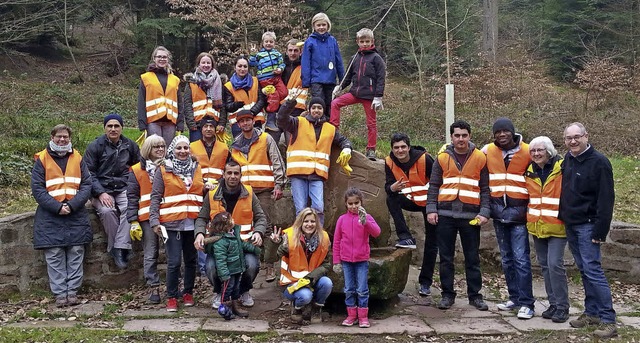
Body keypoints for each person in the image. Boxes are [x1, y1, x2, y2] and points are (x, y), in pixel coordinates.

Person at [559, 122, 617, 339]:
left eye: (577, 137)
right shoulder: (568, 159)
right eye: (568, 138)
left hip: (589, 225)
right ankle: (591, 313)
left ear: (586, 136)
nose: (573, 141)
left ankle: (608, 319)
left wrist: (599, 231)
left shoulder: (600, 162)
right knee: (584, 269)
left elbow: (606, 199)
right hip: (571, 223)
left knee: (593, 270)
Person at [426, 120, 490, 312]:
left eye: (464, 135)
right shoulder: (442, 157)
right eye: (457, 135)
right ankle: (447, 294)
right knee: (446, 258)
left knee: (472, 257)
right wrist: (431, 209)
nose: (460, 139)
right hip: (445, 215)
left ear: (469, 136)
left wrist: (485, 212)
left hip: (471, 216)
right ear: (451, 137)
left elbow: (485, 188)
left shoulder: (480, 158)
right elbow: (434, 185)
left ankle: (475, 296)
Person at [31, 124, 93, 307]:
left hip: (75, 213)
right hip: (51, 214)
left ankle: (72, 292)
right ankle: (60, 293)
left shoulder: (78, 157)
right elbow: (37, 188)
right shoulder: (41, 159)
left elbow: (87, 184)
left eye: (65, 136)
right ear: (52, 137)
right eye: (59, 136)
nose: (62, 140)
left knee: (76, 252)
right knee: (54, 253)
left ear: (69, 138)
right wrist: (57, 207)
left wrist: (72, 205)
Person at [194, 160, 268, 309]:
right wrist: (199, 234)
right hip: (219, 245)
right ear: (223, 174)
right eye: (229, 173)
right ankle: (219, 292)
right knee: (210, 267)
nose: (232, 176)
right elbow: (201, 218)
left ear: (240, 175)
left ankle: (243, 291)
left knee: (252, 265)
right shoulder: (212, 194)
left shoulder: (249, 193)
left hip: (243, 245)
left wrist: (259, 232)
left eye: (236, 173)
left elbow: (261, 217)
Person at [481, 117, 535, 319]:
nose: (501, 135)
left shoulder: (529, 151)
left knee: (521, 259)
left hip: (519, 214)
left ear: (513, 132)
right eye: (498, 132)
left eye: (505, 131)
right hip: (498, 214)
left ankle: (527, 303)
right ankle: (515, 298)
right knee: (507, 259)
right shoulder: (488, 151)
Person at [277, 95, 352, 226]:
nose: (316, 110)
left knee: (318, 208)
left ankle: (318, 239)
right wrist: (289, 103)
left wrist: (347, 149)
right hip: (298, 173)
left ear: (323, 110)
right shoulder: (297, 122)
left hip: (317, 175)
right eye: (314, 107)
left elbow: (343, 140)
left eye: (319, 108)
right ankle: (300, 239)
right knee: (301, 209)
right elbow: (281, 119)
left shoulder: (330, 128)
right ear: (309, 109)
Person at [149, 135, 204, 312]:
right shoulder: (164, 169)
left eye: (186, 148)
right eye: (179, 148)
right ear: (173, 149)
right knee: (173, 262)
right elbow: (155, 196)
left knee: (190, 260)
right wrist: (154, 220)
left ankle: (187, 292)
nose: (182, 151)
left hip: (193, 222)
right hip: (171, 224)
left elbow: (197, 193)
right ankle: (171, 296)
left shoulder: (197, 168)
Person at [230, 109, 286, 282]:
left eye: (248, 120)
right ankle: (248, 263)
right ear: (238, 124)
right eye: (242, 121)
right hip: (243, 193)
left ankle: (269, 266)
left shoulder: (265, 139)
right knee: (244, 227)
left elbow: (277, 161)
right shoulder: (235, 144)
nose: (246, 123)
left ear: (254, 121)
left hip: (263, 190)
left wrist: (279, 184)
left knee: (267, 227)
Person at [384, 133, 437, 297]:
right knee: (390, 198)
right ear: (392, 149)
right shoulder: (389, 162)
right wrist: (393, 187)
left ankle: (425, 283)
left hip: (430, 204)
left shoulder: (424, 159)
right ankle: (405, 236)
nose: (400, 150)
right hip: (410, 200)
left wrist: (433, 208)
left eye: (403, 147)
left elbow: (437, 182)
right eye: (396, 147)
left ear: (409, 147)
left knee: (431, 242)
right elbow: (388, 186)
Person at [84, 113, 140, 269]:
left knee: (130, 208)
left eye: (116, 126)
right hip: (101, 188)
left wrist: (132, 186)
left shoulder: (130, 146)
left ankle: (119, 247)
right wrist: (100, 192)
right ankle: (119, 247)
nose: (113, 129)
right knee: (107, 211)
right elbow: (89, 174)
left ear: (122, 128)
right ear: (104, 128)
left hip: (123, 186)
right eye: (110, 126)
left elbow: (138, 169)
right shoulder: (95, 146)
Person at [525, 136, 569, 323]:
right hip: (537, 226)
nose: (536, 154)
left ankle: (562, 307)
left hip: (558, 226)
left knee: (555, 265)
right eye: (533, 151)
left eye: (540, 150)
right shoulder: (529, 171)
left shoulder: (562, 168)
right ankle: (553, 304)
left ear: (548, 151)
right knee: (544, 266)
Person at [269, 208, 333, 324]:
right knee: (305, 296)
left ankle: (316, 308)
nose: (309, 224)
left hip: (311, 280)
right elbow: (271, 258)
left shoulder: (323, 238)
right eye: (306, 221)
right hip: (291, 283)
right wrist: (274, 244)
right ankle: (297, 308)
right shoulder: (289, 237)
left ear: (317, 223)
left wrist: (310, 278)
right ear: (300, 222)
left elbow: (327, 264)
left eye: (312, 221)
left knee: (327, 283)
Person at [330, 28, 386, 160]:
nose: (365, 44)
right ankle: (333, 134)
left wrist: (378, 96)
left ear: (372, 41)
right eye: (362, 41)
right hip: (355, 93)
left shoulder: (376, 58)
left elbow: (381, 78)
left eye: (367, 41)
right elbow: (348, 77)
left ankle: (371, 149)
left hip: (370, 96)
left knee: (371, 123)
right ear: (357, 42)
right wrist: (340, 87)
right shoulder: (354, 57)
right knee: (335, 103)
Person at [332, 188, 381, 328]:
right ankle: (351, 315)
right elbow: (336, 241)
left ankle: (363, 317)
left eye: (356, 203)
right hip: (346, 261)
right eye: (350, 203)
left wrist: (366, 222)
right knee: (349, 289)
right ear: (346, 204)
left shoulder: (367, 217)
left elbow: (377, 233)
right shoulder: (341, 220)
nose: (354, 206)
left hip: (361, 260)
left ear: (361, 203)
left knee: (362, 289)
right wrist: (336, 261)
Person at [126, 134, 166, 304]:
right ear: (148, 149)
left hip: (168, 214)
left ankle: (174, 287)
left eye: (163, 146)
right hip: (146, 217)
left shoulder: (170, 167)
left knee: (172, 253)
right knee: (150, 253)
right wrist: (133, 220)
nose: (160, 150)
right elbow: (132, 196)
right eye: (156, 147)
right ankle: (153, 286)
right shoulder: (136, 170)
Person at [206, 212, 261, 319]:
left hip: (236, 269)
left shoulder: (233, 234)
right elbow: (220, 260)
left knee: (236, 288)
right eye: (230, 220)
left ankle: (235, 306)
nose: (233, 221)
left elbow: (243, 245)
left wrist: (255, 249)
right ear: (224, 226)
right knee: (227, 289)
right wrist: (224, 274)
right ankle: (224, 309)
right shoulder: (220, 242)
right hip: (228, 272)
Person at [137, 46, 184, 146]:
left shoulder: (175, 79)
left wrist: (180, 123)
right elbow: (141, 102)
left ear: (168, 59)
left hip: (170, 122)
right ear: (154, 58)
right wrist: (142, 123)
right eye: (159, 57)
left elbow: (180, 103)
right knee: (155, 150)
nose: (162, 59)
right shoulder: (146, 77)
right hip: (153, 121)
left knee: (168, 151)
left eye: (164, 57)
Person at [301, 12, 345, 120]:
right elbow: (306, 62)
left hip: (330, 78)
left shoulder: (332, 40)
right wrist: (306, 81)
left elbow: (338, 60)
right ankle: (318, 125)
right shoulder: (310, 41)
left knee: (331, 103)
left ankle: (330, 127)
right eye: (318, 25)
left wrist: (343, 79)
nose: (321, 27)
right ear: (314, 27)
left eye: (323, 25)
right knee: (318, 103)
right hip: (316, 79)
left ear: (328, 26)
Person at [183, 52, 225, 142]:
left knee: (215, 153)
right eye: (203, 62)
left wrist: (221, 123)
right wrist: (191, 124)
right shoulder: (191, 82)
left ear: (212, 65)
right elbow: (187, 105)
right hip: (197, 125)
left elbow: (223, 105)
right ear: (198, 64)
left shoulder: (219, 82)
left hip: (214, 124)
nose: (206, 65)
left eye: (208, 63)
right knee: (197, 153)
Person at [249, 31, 288, 123]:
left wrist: (280, 69)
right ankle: (271, 113)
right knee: (273, 96)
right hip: (265, 79)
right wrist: (253, 54)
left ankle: (272, 102)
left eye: (271, 42)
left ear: (274, 43)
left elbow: (282, 64)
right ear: (263, 43)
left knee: (284, 92)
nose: (268, 44)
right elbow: (252, 64)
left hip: (276, 77)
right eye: (266, 42)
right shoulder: (259, 55)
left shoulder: (277, 54)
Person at [223, 56, 267, 137]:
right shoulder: (228, 86)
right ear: (235, 67)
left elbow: (261, 100)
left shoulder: (256, 81)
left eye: (245, 66)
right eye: (240, 66)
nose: (242, 69)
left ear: (248, 68)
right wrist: (235, 105)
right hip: (238, 123)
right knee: (241, 148)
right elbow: (228, 106)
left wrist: (252, 112)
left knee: (258, 147)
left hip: (255, 120)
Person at [190, 116, 230, 184]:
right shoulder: (192, 147)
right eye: (205, 126)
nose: (208, 129)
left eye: (211, 126)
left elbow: (229, 168)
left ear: (215, 129)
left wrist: (220, 182)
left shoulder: (224, 148)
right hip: (198, 184)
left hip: (219, 185)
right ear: (201, 129)